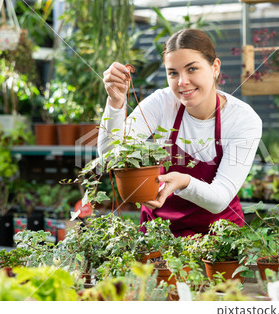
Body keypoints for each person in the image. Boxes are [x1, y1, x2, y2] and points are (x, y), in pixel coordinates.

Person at [99, 28, 262, 237]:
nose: (182, 82)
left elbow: (220, 199)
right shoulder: (162, 103)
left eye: (192, 69)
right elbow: (110, 156)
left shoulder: (242, 119)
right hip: (158, 237)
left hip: (219, 241)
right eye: (173, 73)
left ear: (215, 67)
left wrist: (184, 181)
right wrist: (115, 102)